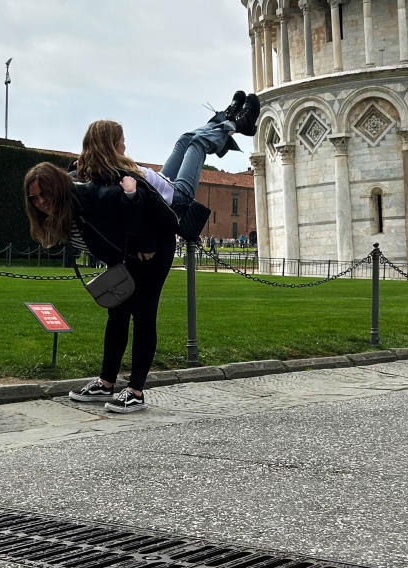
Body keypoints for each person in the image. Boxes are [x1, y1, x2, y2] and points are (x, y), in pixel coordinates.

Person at [24, 91, 259, 415]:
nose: (124, 147)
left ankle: (134, 390)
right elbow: (78, 186)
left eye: (43, 195)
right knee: (118, 314)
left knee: (143, 315)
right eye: (120, 142)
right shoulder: (93, 180)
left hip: (166, 219)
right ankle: (107, 383)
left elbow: (141, 207)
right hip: (141, 239)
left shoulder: (110, 183)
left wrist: (144, 245)